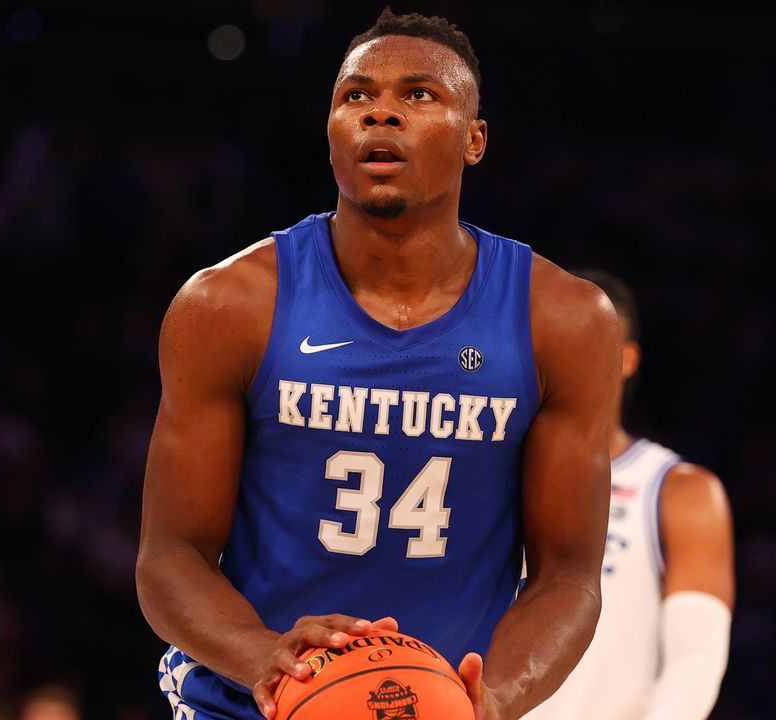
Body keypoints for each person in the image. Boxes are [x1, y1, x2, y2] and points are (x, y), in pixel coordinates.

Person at [136, 8, 624, 720]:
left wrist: (495, 698)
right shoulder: (228, 305)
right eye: (356, 95)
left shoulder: (564, 320)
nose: (380, 113)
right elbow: (170, 557)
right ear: (331, 131)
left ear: (475, 139)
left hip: (440, 705)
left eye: (419, 94)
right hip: (244, 705)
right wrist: (264, 658)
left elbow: (569, 574)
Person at [523, 271, 735, 720]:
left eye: (584, 339)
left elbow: (694, 662)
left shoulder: (680, 491)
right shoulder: (489, 472)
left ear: (627, 358)